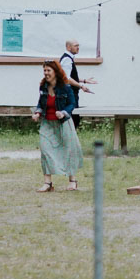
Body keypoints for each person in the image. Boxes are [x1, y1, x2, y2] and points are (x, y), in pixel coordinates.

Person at [31, 59, 82, 191]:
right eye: (44, 71)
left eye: (48, 70)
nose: (46, 73)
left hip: (63, 123)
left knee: (68, 150)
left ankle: (73, 181)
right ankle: (48, 183)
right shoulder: (43, 87)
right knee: (45, 150)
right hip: (47, 123)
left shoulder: (65, 87)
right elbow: (40, 103)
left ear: (55, 72)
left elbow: (72, 103)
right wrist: (37, 112)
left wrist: (64, 112)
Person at [58, 38, 92, 117]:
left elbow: (70, 76)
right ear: (68, 47)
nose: (78, 47)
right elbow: (67, 79)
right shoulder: (67, 59)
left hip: (70, 93)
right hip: (69, 94)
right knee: (73, 118)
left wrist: (84, 80)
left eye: (78, 45)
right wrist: (81, 86)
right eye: (75, 46)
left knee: (74, 118)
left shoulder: (68, 58)